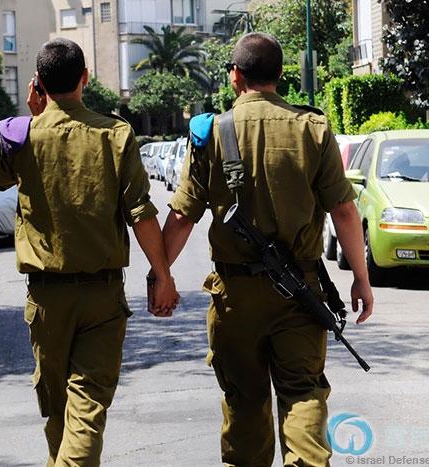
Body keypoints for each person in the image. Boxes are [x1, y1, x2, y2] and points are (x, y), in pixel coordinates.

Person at [159, 32, 374, 466]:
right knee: (303, 393)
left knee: (244, 399)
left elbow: (182, 216)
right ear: (280, 75)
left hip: (235, 297)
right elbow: (345, 212)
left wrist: (160, 275)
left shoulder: (213, 133)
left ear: (235, 76)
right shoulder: (312, 128)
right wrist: (361, 279)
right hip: (300, 293)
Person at [0, 38, 179, 466]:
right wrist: (162, 275)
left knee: (59, 411)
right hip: (101, 297)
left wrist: (35, 119)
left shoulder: (21, 137)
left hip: (46, 299)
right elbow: (141, 212)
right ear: (85, 78)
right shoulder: (115, 134)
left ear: (37, 83)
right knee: (84, 410)